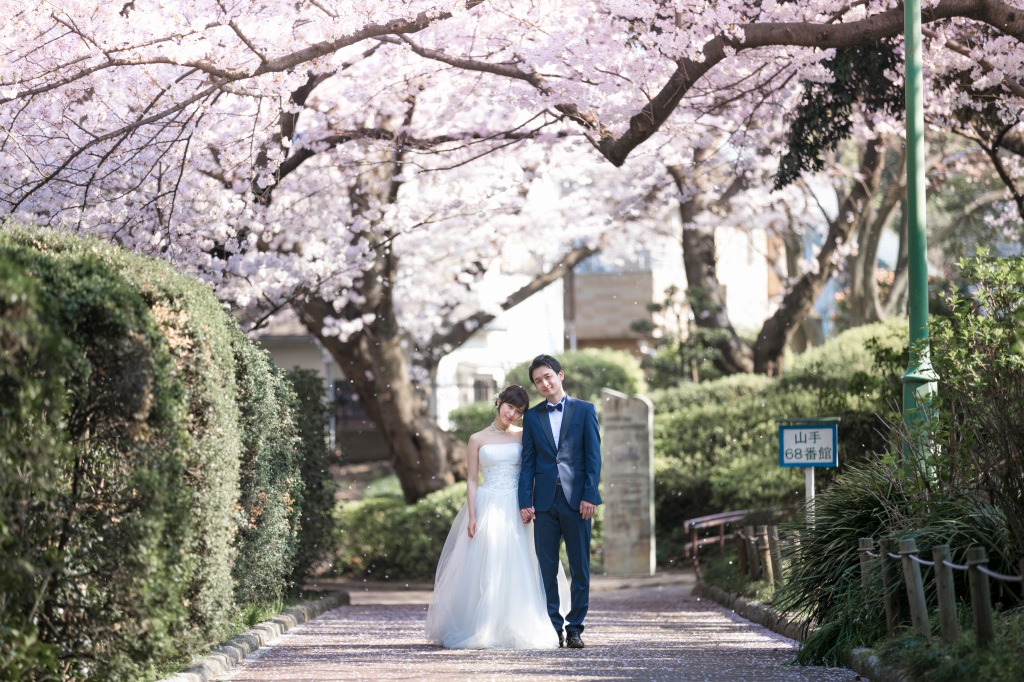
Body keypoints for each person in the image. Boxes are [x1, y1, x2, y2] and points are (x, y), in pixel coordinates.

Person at [425, 385, 567, 649]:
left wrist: (533, 502)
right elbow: (470, 480)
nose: (512, 414)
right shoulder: (477, 439)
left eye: (519, 411)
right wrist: (472, 515)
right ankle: (485, 626)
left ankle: (517, 623)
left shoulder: (524, 436)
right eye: (509, 407)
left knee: (520, 563)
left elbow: (534, 471)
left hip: (517, 505)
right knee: (489, 563)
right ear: (499, 402)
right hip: (488, 503)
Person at [518, 354, 602, 649]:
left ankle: (575, 626)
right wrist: (523, 501)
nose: (544, 383)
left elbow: (593, 458)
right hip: (542, 503)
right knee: (547, 568)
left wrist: (590, 495)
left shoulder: (585, 410)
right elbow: (528, 462)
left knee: (580, 567)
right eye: (538, 381)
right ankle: (553, 626)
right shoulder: (532, 417)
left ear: (560, 375)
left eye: (547, 377)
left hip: (577, 501)